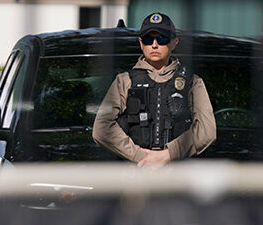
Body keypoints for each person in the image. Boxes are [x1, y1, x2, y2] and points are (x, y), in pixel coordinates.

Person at [92, 12, 216, 168]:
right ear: (141, 43)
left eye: (162, 39)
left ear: (174, 42)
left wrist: (168, 154)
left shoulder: (192, 82)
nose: (155, 45)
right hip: (134, 175)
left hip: (179, 176)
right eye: (148, 39)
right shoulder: (124, 81)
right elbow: (101, 128)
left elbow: (207, 131)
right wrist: (141, 157)